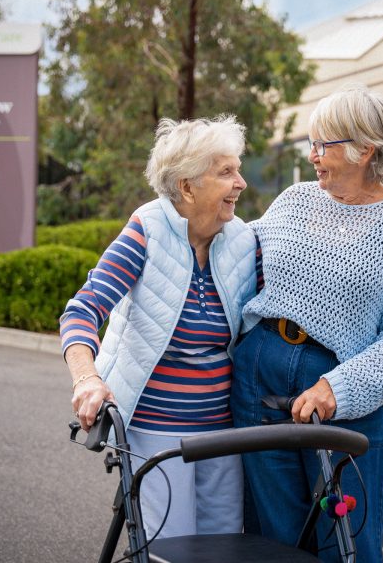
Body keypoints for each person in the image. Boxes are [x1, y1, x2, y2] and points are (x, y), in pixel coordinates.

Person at [230, 85, 383, 562]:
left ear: (365, 150)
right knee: (271, 538)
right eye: (312, 143)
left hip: (341, 391)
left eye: (323, 145)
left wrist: (337, 388)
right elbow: (235, 256)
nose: (313, 156)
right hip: (260, 373)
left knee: (348, 546)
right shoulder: (296, 200)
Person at [60, 115, 260, 539]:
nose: (241, 182)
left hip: (223, 432)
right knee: (169, 544)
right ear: (187, 186)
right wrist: (86, 379)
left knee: (224, 545)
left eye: (238, 169)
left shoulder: (244, 241)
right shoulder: (147, 230)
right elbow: (83, 309)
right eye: (226, 172)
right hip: (155, 428)